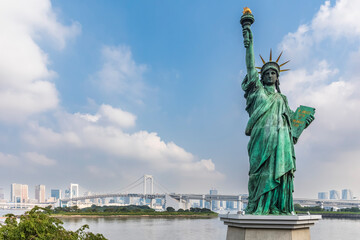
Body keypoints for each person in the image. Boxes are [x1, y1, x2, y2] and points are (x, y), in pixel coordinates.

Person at [241, 25, 314, 215]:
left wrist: (304, 121)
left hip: (280, 142)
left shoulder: (282, 99)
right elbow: (250, 67)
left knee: (279, 173)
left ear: (277, 78)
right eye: (266, 73)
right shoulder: (257, 91)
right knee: (258, 174)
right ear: (261, 77)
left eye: (273, 73)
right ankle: (258, 205)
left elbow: (292, 125)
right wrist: (249, 42)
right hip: (261, 138)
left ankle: (277, 206)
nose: (270, 75)